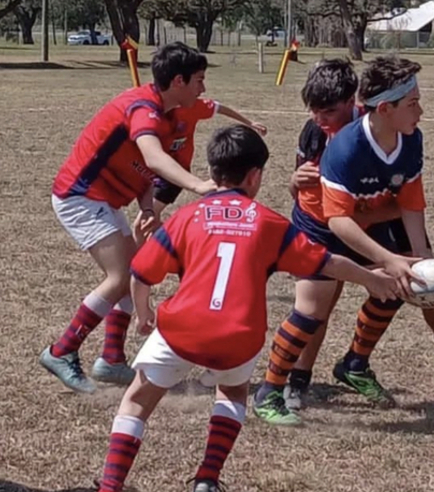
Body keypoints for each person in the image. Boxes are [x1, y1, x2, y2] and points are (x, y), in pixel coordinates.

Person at [95, 124, 400, 492]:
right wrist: (373, 279)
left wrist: (144, 314)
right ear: (255, 177)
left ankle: (110, 486)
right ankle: (207, 480)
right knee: (233, 392)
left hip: (181, 329)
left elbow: (141, 273)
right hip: (239, 334)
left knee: (137, 400)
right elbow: (328, 263)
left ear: (212, 173)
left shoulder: (185, 218)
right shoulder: (270, 224)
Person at [254, 56, 434, 423]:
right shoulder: (337, 144)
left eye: (327, 110)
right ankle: (287, 383)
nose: (318, 119)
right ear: (386, 107)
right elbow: (333, 217)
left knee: (408, 278)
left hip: (367, 215)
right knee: (315, 307)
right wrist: (294, 183)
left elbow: (409, 201)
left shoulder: (401, 132)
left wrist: (417, 257)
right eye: (414, 103)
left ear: (355, 103)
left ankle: (358, 363)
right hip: (324, 224)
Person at [40, 42, 216, 394]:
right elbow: (152, 159)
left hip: (104, 200)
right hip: (81, 197)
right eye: (199, 79)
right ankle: (62, 351)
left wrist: (148, 207)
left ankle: (111, 360)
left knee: (134, 273)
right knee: (120, 277)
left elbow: (144, 173)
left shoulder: (166, 114)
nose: (203, 88)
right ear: (178, 81)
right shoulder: (144, 108)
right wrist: (198, 185)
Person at [132, 99, 267, 240]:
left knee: (141, 224)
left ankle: (145, 254)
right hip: (156, 171)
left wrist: (249, 123)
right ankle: (165, 244)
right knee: (148, 223)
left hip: (176, 174)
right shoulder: (151, 112)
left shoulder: (192, 105)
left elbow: (220, 108)